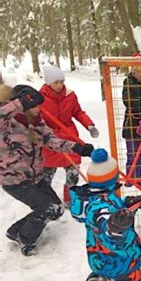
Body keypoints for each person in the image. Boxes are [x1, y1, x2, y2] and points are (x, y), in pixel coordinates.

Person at [0, 84, 94, 256]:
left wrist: (78, 148)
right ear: (23, 105)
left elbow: (50, 140)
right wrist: (19, 103)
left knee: (57, 208)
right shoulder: (7, 125)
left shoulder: (36, 121)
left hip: (35, 177)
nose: (38, 108)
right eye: (34, 105)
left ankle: (15, 231)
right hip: (14, 180)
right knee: (47, 208)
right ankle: (26, 239)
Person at [62, 149, 141, 281]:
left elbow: (110, 215)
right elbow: (108, 227)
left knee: (111, 268)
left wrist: (129, 204)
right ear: (112, 178)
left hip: (99, 259)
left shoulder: (90, 200)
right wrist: (115, 227)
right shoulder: (104, 206)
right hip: (122, 261)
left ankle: (95, 280)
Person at [39, 65, 98, 204]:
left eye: (61, 81)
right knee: (46, 173)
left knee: (73, 169)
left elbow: (77, 112)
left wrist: (89, 125)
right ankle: (45, 202)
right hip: (50, 138)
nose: (60, 85)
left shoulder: (70, 95)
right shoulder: (39, 98)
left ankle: (70, 198)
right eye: (56, 82)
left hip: (69, 134)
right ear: (48, 82)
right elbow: (36, 119)